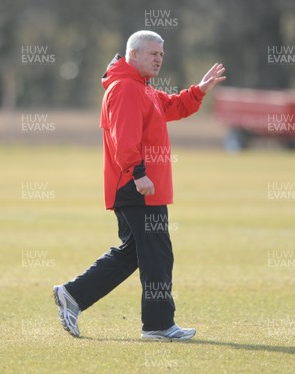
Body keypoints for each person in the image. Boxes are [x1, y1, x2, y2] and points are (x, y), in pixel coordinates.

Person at [54, 30, 226, 341]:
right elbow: (125, 139)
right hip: (138, 187)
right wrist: (139, 174)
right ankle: (159, 325)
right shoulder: (126, 89)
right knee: (157, 255)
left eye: (161, 54)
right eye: (152, 54)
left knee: (135, 253)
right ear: (133, 55)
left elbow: (173, 107)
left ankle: (73, 295)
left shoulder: (142, 89)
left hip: (141, 186)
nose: (159, 59)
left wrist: (199, 90)